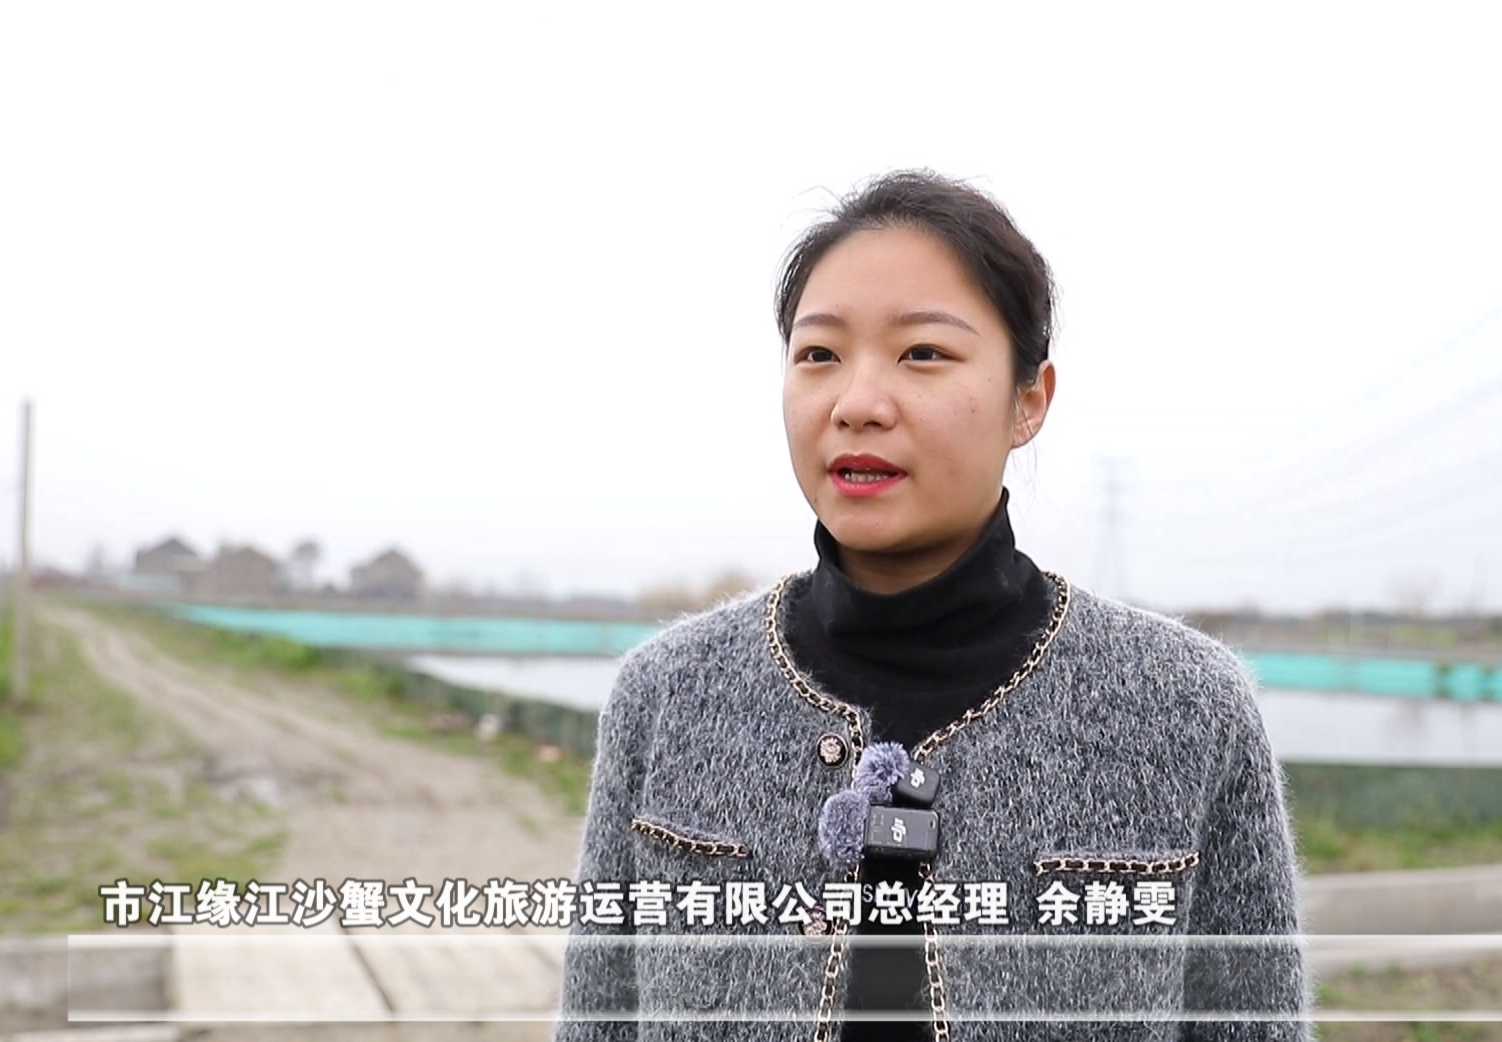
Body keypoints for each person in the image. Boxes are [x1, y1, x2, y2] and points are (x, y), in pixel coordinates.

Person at [554, 170, 1313, 1042]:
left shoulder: (1185, 705)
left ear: (1028, 400)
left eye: (921, 353)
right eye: (818, 355)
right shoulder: (666, 694)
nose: (856, 404)